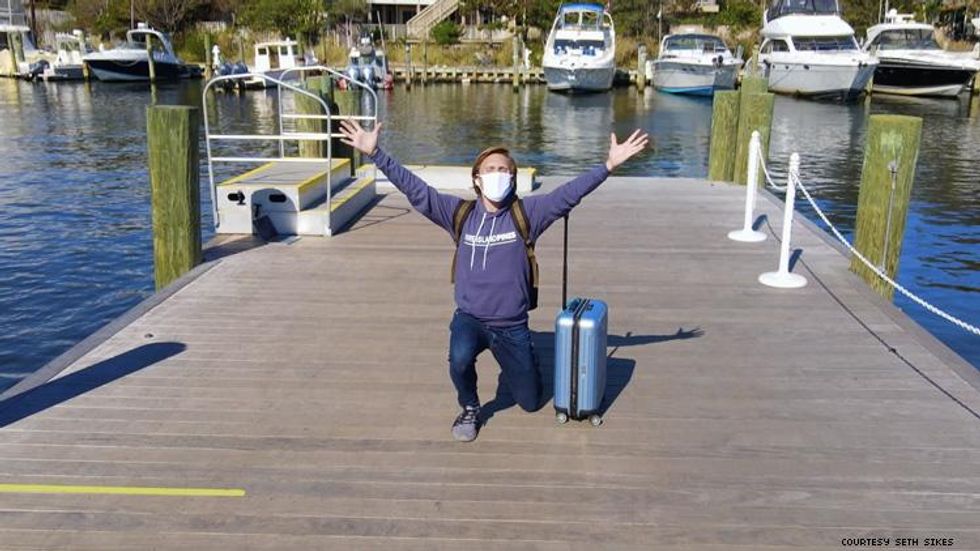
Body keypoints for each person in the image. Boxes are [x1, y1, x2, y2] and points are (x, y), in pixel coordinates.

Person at [338, 120, 649, 442]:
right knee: (458, 359)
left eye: (504, 169)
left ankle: (527, 362)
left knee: (530, 401)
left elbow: (568, 195)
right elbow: (418, 192)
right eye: (490, 169)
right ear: (477, 178)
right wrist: (376, 153)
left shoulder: (528, 214)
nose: (497, 174)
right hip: (469, 317)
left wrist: (608, 166)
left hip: (512, 325)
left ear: (513, 178)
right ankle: (470, 407)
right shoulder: (458, 214)